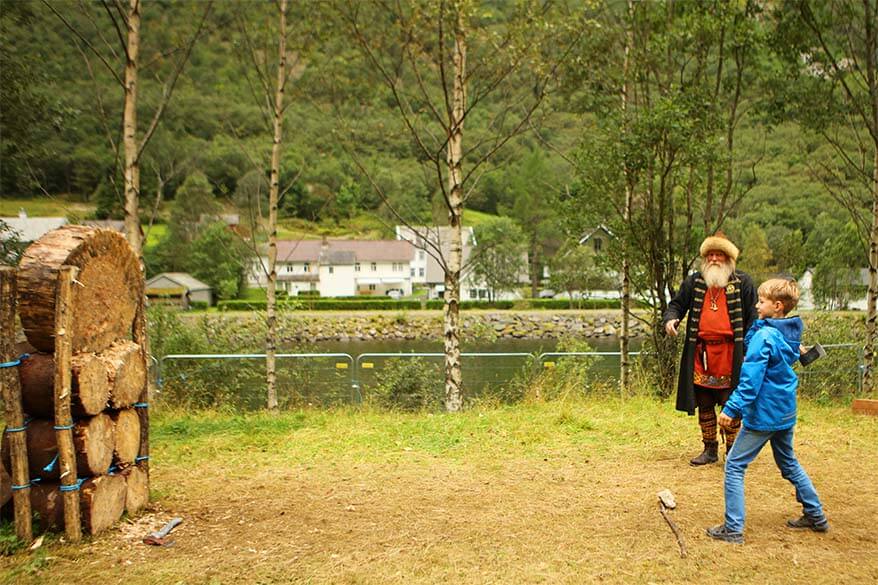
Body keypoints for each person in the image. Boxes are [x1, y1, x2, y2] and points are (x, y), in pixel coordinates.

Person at [706, 278, 828, 544]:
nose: (756, 305)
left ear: (777, 306)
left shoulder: (765, 337)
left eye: (761, 301)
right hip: (785, 413)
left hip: (764, 414)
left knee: (735, 465)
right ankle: (815, 515)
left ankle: (733, 528)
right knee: (789, 463)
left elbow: (751, 381)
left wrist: (732, 408)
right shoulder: (787, 333)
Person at [664, 234, 758, 465]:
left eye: (719, 255)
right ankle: (710, 450)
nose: (714, 259)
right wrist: (671, 320)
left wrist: (750, 349)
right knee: (704, 401)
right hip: (701, 353)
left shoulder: (743, 283)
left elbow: (754, 318)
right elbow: (676, 305)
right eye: (710, 255)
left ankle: (733, 453)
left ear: (728, 258)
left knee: (731, 401)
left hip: (731, 353)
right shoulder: (695, 282)